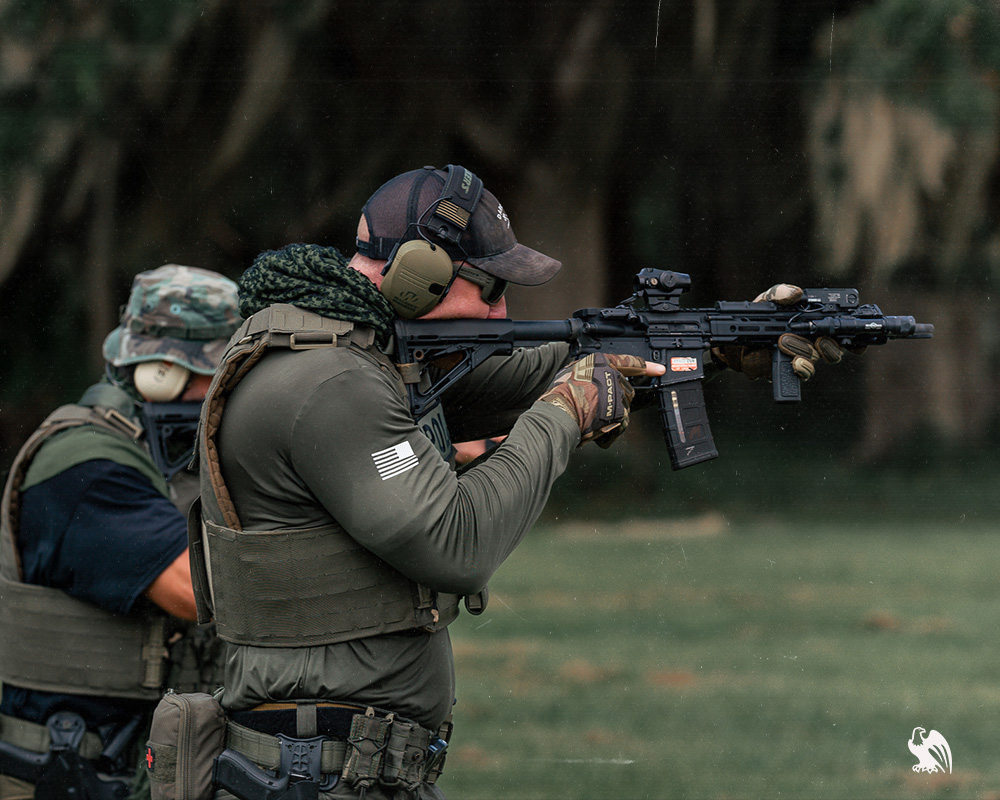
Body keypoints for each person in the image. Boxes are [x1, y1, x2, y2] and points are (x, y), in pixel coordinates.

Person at [193, 165, 845, 800]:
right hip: (316, 769)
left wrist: (715, 347)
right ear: (421, 277)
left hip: (339, 762)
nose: (504, 313)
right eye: (491, 288)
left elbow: (539, 371)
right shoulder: (331, 380)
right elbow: (455, 542)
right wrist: (566, 412)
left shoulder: (356, 355)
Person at [0, 265, 241, 799]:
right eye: (219, 372)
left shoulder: (165, 459)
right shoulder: (82, 465)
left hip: (134, 767)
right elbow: (197, 590)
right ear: (162, 372)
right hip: (69, 773)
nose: (231, 390)